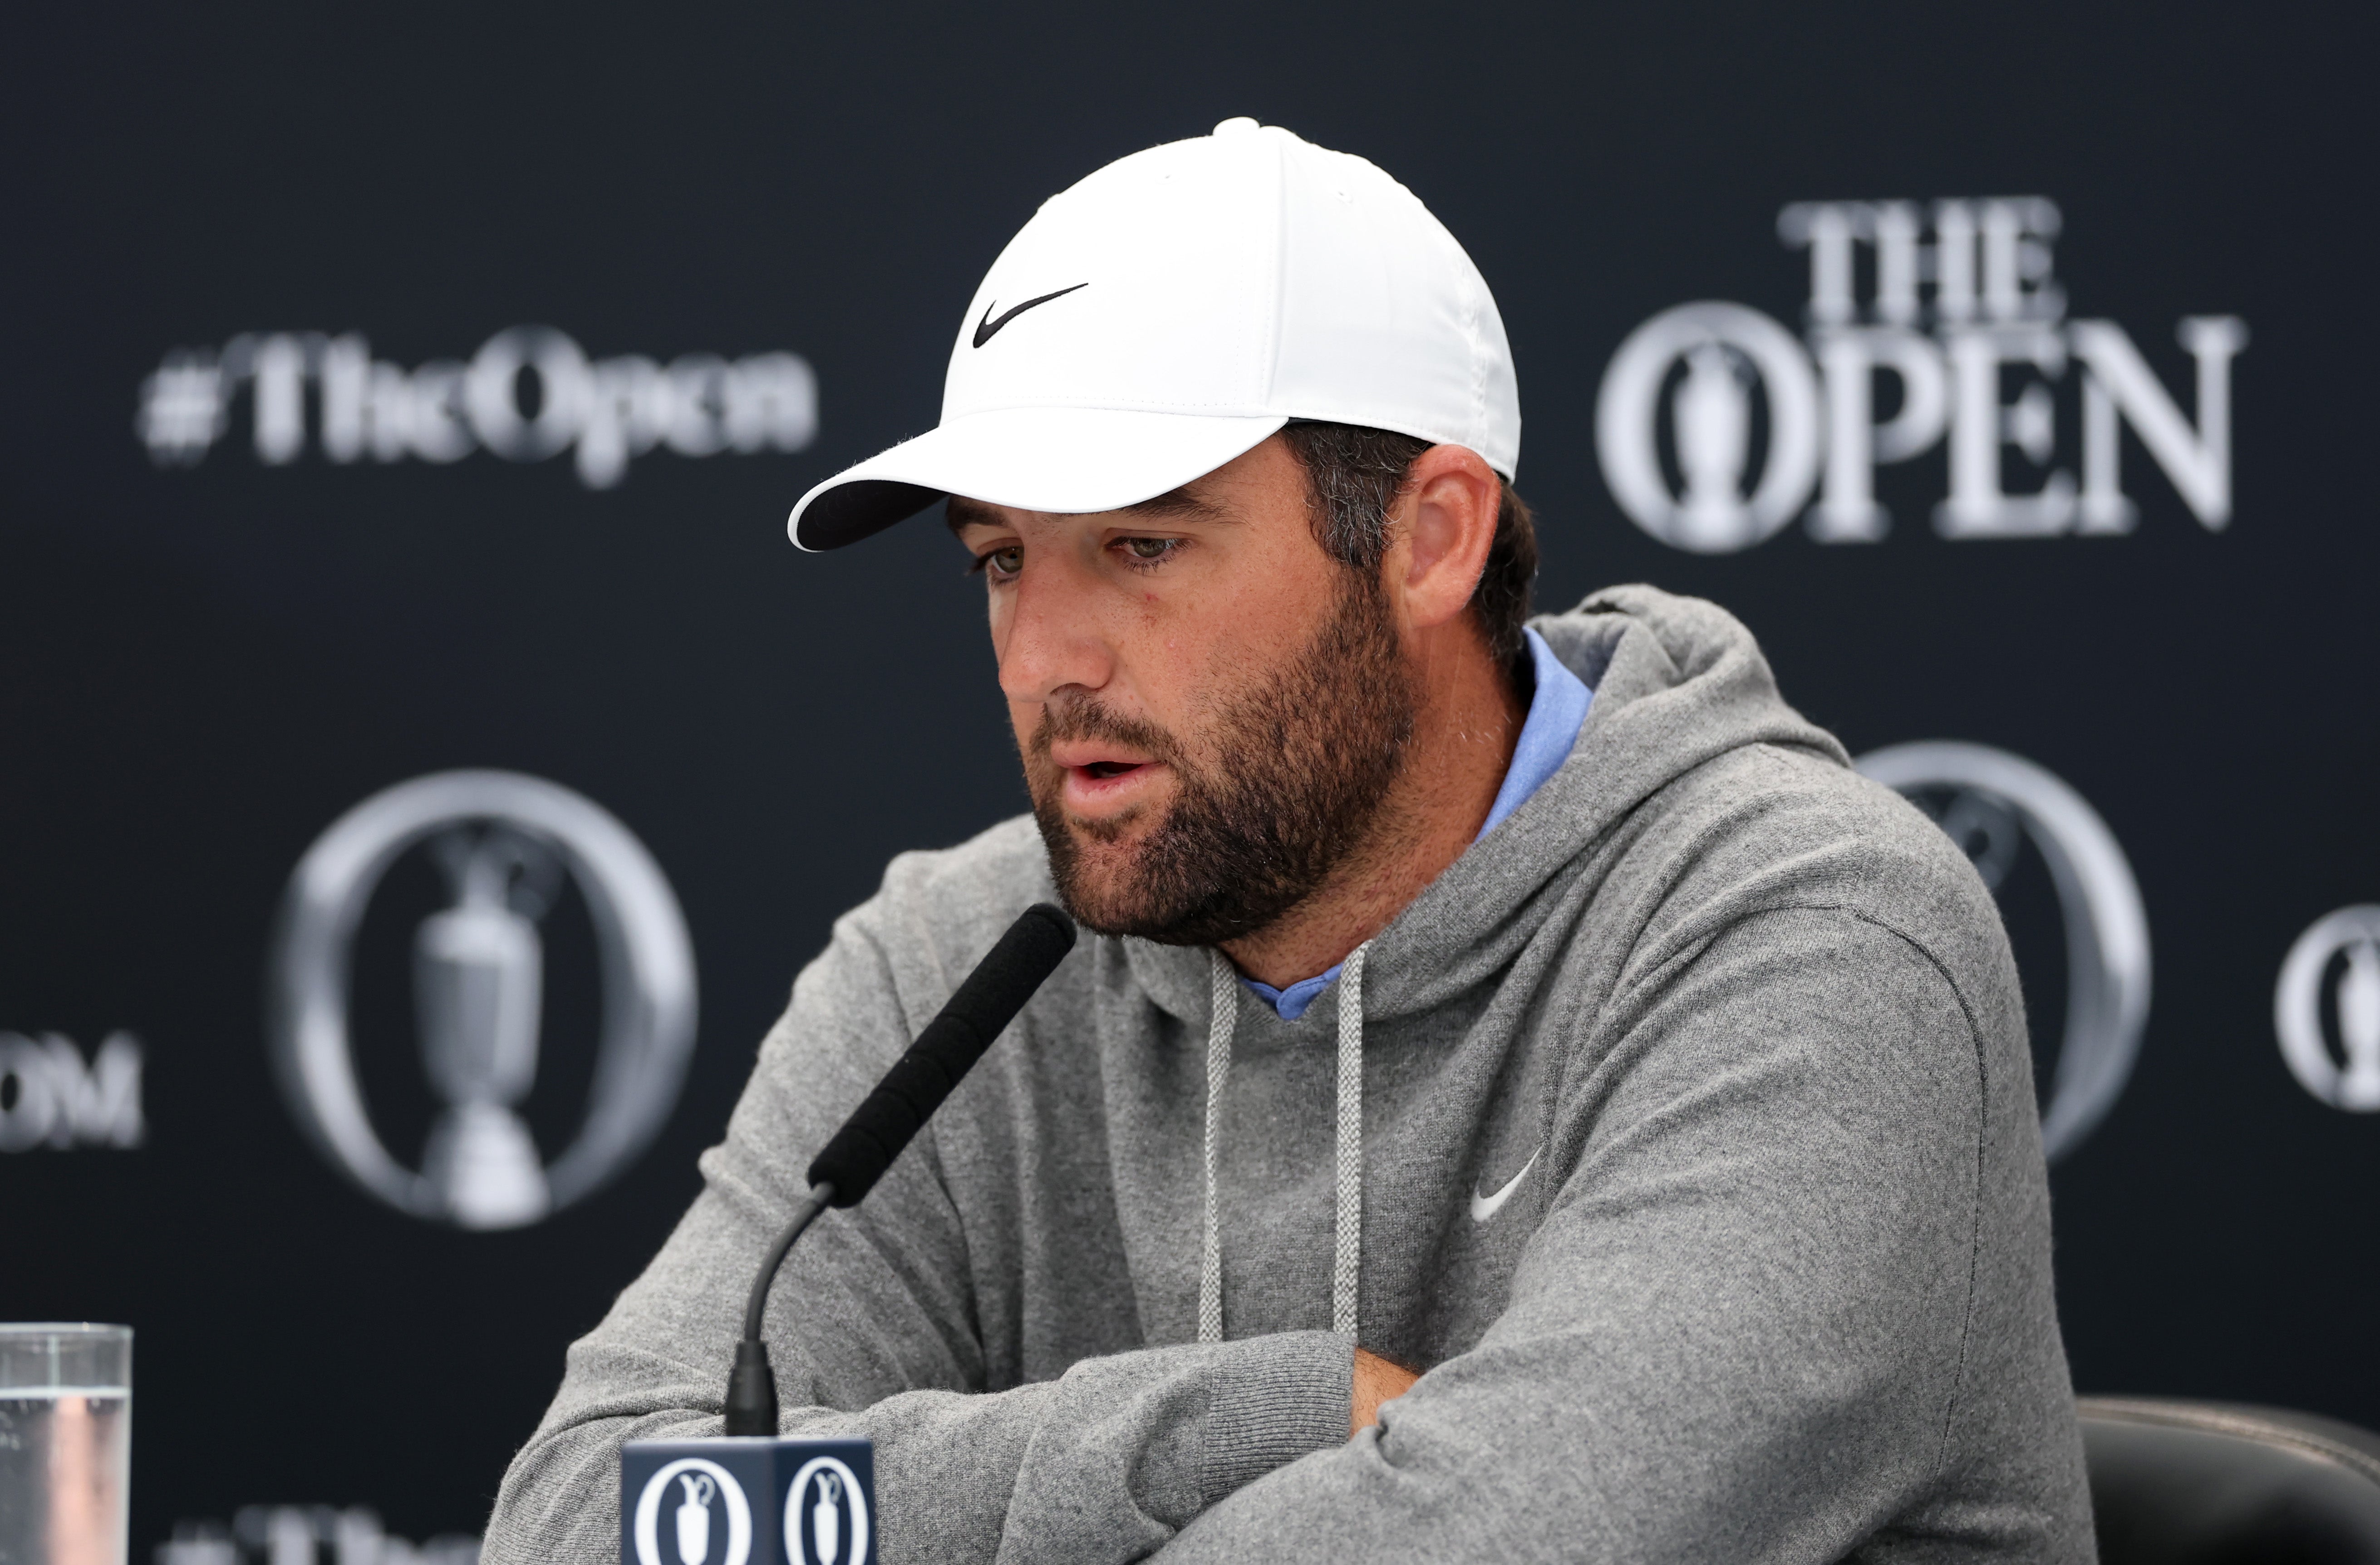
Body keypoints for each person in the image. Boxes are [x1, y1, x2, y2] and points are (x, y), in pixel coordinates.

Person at [485, 119, 2092, 1563]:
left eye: (1141, 544)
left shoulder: (1810, 940)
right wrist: (1235, 1423)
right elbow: (583, 1526)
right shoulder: (954, 973)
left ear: (1431, 540)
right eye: (997, 563)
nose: (1044, 656)